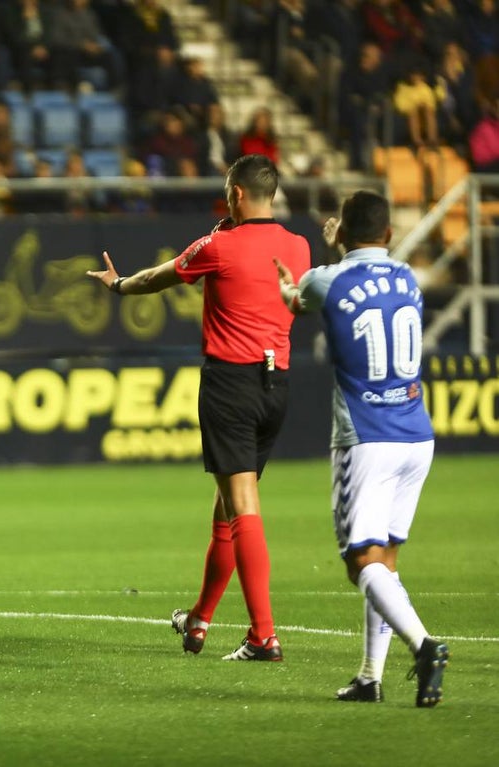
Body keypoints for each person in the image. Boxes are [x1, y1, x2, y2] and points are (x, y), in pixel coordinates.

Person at [85, 154, 310, 661]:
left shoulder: (218, 245)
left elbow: (155, 279)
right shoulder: (298, 246)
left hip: (231, 383)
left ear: (234, 194)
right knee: (228, 506)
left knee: (243, 506)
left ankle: (263, 635)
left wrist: (118, 284)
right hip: (278, 385)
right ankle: (200, 620)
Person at [275, 191, 449, 706]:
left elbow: (299, 300)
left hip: (366, 437)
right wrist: (346, 250)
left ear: (343, 233)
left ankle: (424, 646)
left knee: (360, 561)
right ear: (390, 235)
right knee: (385, 558)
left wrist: (294, 279)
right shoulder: (410, 279)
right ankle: (371, 677)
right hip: (417, 434)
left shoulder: (325, 279)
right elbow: (366, 287)